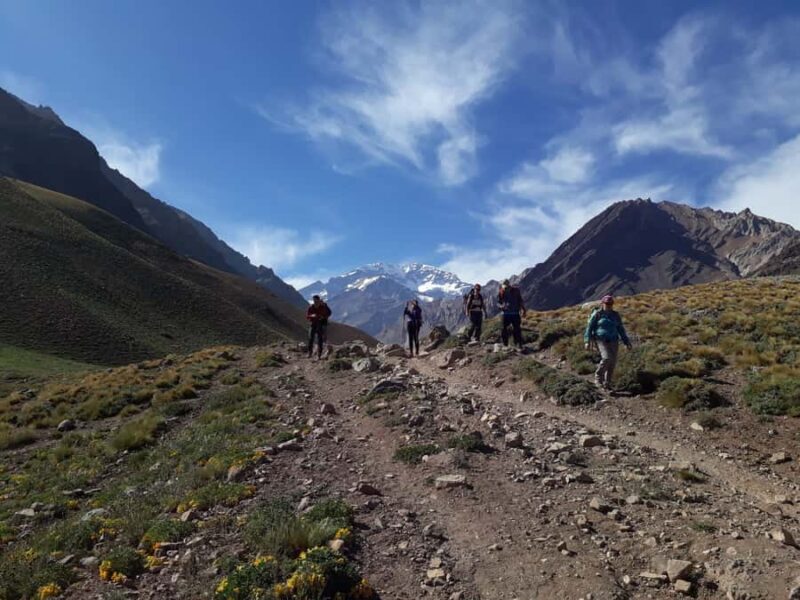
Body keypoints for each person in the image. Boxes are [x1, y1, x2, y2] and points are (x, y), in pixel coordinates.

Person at [584, 294, 632, 390]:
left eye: (610, 303)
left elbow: (620, 329)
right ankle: (598, 378)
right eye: (606, 303)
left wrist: (626, 342)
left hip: (614, 340)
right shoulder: (597, 314)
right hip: (601, 340)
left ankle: (607, 383)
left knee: (612, 362)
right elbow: (589, 328)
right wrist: (587, 341)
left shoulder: (615, 315)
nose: (608, 305)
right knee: (606, 358)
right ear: (602, 303)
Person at [498, 279, 526, 348]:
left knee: (517, 329)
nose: (505, 288)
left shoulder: (516, 291)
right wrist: (501, 306)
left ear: (509, 285)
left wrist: (523, 310)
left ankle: (518, 344)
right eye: (504, 287)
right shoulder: (501, 292)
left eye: (506, 287)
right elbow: (498, 302)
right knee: (503, 329)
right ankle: (505, 344)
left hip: (515, 313)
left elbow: (520, 300)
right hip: (505, 314)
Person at [306, 295, 332, 359]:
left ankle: (319, 354)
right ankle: (310, 352)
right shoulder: (311, 307)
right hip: (313, 323)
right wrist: (312, 316)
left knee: (320, 339)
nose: (315, 302)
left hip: (320, 324)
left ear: (318, 300)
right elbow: (307, 316)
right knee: (311, 338)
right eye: (314, 300)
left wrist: (323, 317)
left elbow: (329, 313)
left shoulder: (323, 306)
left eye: (316, 300)